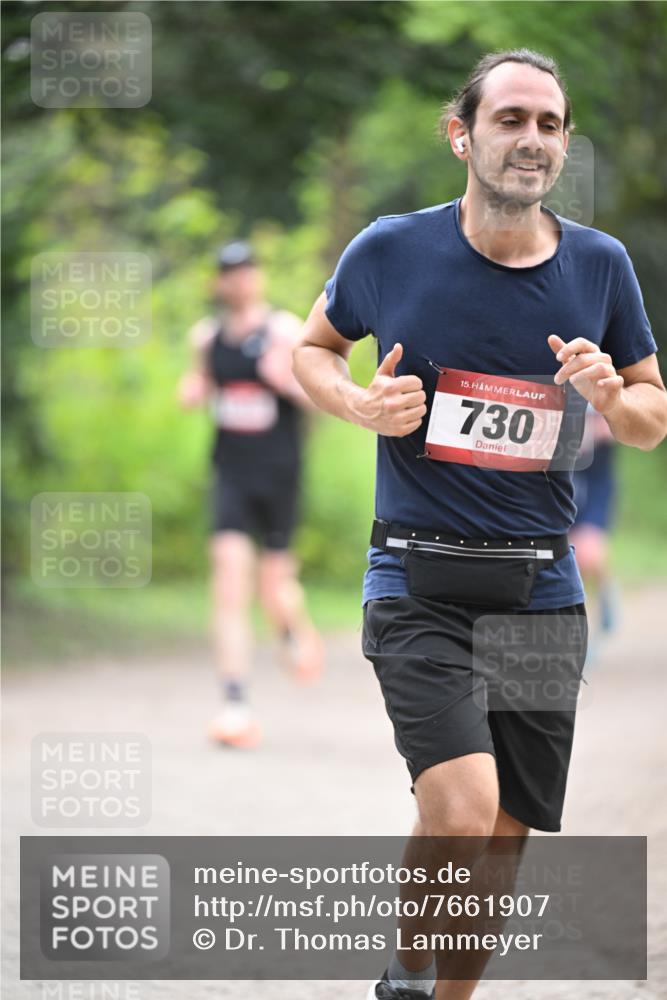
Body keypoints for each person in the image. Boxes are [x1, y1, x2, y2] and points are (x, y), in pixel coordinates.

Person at [293, 49, 666, 1000]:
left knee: (500, 845)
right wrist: (355, 406)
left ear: (563, 142)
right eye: (509, 119)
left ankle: (430, 990)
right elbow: (312, 351)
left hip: (541, 585)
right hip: (418, 577)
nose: (530, 139)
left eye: (547, 123)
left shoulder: (600, 265)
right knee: (462, 811)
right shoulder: (389, 249)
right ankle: (408, 973)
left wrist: (608, 396)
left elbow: (649, 419)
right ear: (463, 135)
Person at [178, 240, 323, 749]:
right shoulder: (207, 337)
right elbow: (197, 382)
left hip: (280, 476)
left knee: (273, 590)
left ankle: (290, 627)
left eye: (246, 271)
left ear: (257, 278)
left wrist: (284, 383)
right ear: (219, 282)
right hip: (231, 476)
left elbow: (318, 398)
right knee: (229, 582)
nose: (238, 280)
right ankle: (235, 704)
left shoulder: (283, 331)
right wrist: (192, 390)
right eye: (228, 272)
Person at [571, 404, 619, 646]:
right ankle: (580, 632)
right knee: (570, 560)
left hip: (594, 485)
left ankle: (605, 589)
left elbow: (619, 427)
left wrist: (590, 430)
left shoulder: (599, 373)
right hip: (561, 486)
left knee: (589, 555)